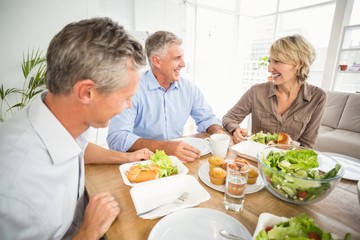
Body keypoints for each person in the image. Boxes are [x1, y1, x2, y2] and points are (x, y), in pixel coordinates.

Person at [0, 17, 153, 239]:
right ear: (86, 92)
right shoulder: (18, 191)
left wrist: (126, 158)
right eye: (126, 97)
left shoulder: (57, 116)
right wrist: (88, 232)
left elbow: (80, 148)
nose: (130, 105)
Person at [107, 30, 224, 163]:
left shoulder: (188, 88)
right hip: (144, 162)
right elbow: (117, 137)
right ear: (157, 61)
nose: (183, 64)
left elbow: (208, 118)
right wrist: (165, 147)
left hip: (180, 159)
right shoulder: (133, 89)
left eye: (182, 57)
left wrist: (217, 132)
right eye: (176, 58)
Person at [222, 34, 326, 148]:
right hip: (255, 158)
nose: (270, 68)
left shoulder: (317, 97)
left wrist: (290, 148)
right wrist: (236, 130)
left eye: (277, 61)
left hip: (287, 163)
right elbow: (229, 118)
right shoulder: (256, 91)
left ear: (299, 64)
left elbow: (306, 146)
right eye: (269, 61)